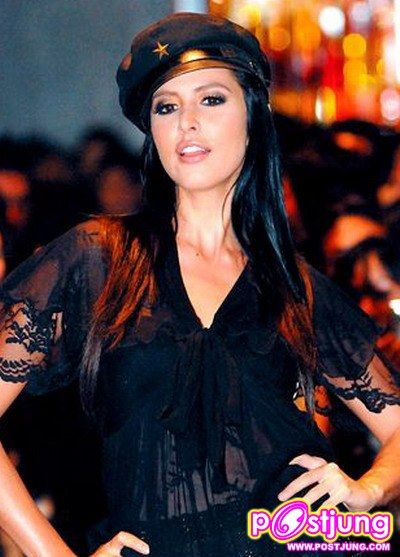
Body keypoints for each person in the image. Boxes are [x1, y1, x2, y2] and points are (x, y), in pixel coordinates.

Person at [0, 12, 400, 557]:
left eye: (211, 99)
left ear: (252, 115)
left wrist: (367, 489)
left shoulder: (292, 286)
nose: (187, 121)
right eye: (166, 107)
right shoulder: (97, 258)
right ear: (152, 131)